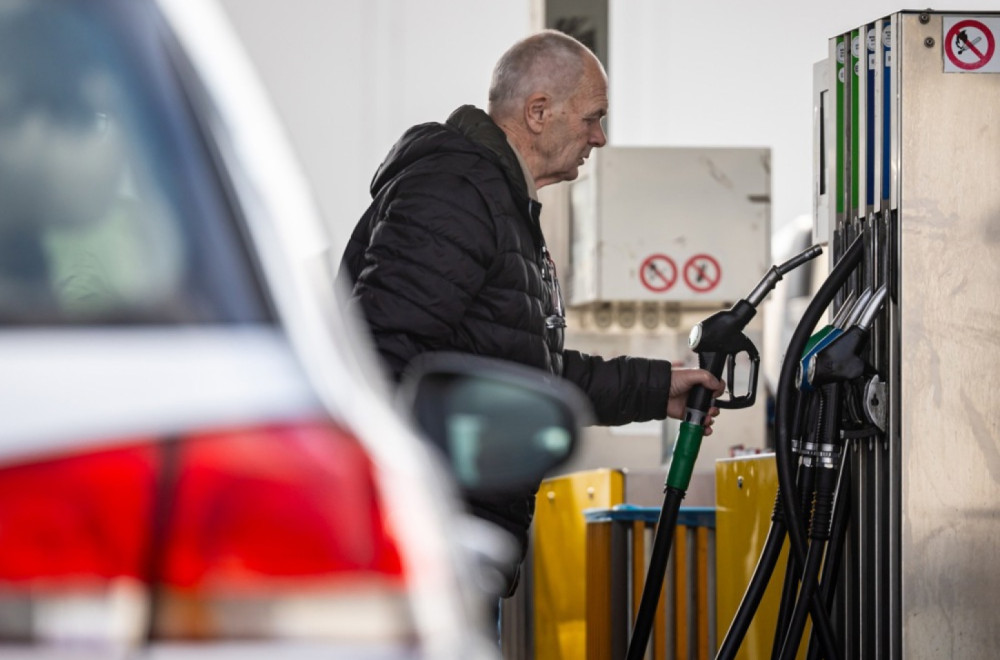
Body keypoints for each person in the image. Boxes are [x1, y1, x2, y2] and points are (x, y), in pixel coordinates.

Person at [339, 29, 723, 603]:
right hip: (427, 545)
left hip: (453, 541)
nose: (600, 136)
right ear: (539, 111)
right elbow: (379, 359)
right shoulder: (455, 192)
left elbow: (527, 374)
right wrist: (417, 522)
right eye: (593, 117)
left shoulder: (498, 203)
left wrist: (654, 386)